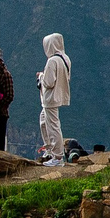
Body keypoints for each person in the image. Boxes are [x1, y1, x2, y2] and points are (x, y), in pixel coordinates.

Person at [37, 33, 72, 162]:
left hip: (50, 99)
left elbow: (49, 82)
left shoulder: (52, 61)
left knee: (53, 126)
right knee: (43, 122)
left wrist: (41, 76)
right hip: (59, 95)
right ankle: (49, 148)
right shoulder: (65, 58)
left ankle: (57, 156)